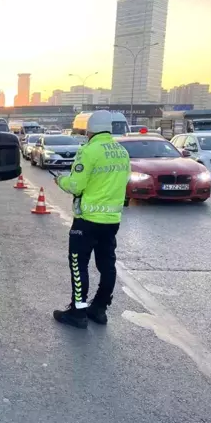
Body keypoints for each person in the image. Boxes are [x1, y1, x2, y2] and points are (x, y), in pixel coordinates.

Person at [52, 110, 131, 329]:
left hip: (87, 220)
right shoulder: (122, 152)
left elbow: (76, 185)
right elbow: (125, 179)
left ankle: (78, 312)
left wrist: (60, 181)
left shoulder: (89, 151)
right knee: (107, 265)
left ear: (90, 130)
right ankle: (99, 308)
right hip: (111, 220)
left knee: (79, 265)